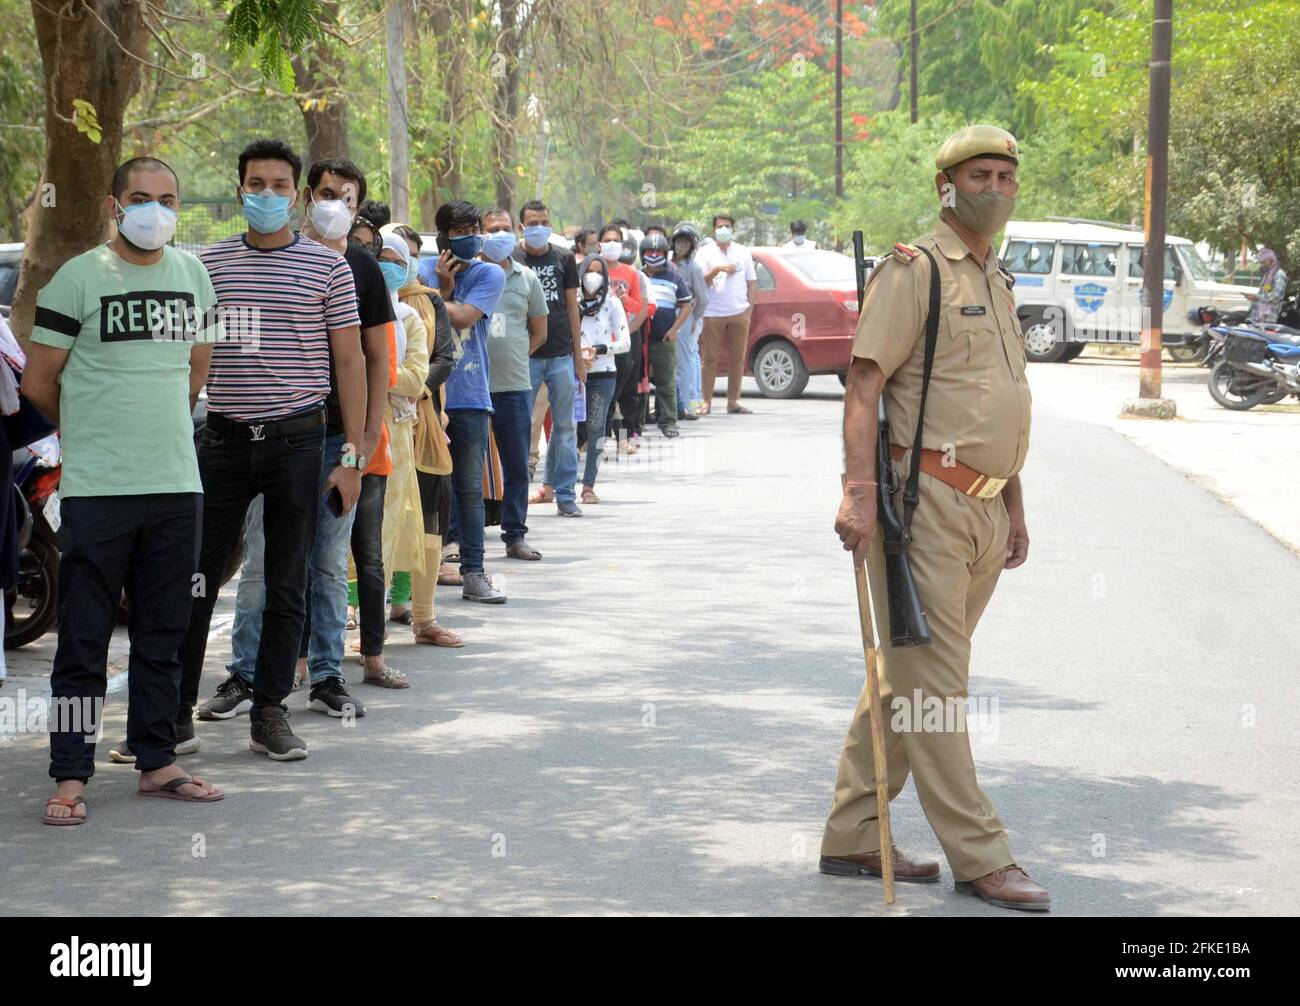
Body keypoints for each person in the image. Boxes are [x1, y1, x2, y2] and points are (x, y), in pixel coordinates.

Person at [824, 124, 1047, 911]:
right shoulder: (914, 270)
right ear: (946, 187)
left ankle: (853, 832)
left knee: (907, 679)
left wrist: (1014, 503)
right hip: (924, 509)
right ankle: (981, 855)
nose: (995, 187)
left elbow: (1002, 400)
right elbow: (863, 387)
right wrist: (857, 493)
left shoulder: (999, 279)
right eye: (979, 174)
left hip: (986, 511)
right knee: (935, 692)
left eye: (1005, 175)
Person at [24, 156, 225, 821]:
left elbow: (196, 372)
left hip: (175, 485)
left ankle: (158, 760)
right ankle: (71, 774)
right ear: (115, 205)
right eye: (141, 197)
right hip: (98, 489)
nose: (155, 210)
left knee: (163, 633)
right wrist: (98, 430)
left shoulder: (193, 275)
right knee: (83, 639)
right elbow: (38, 383)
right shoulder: (78, 279)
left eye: (167, 199)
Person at [180, 138, 367, 762]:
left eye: (280, 186)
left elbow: (351, 363)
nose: (267, 195)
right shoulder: (204, 266)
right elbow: (184, 364)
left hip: (299, 443)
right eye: (255, 185)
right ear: (240, 193)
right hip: (223, 441)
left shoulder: (329, 267)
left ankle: (269, 714)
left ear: (300, 195)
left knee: (287, 581)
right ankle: (174, 714)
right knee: (199, 581)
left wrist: (353, 460)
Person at [420, 199, 508, 601]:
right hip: (425, 396)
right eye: (458, 231)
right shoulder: (421, 268)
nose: (469, 236)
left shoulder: (490, 273)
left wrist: (442, 294)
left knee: (469, 489)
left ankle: (474, 572)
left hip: (470, 397)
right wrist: (441, 290)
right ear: (442, 237)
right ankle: (415, 579)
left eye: (474, 228)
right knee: (423, 490)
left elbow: (462, 317)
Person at [384, 224, 463, 648]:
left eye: (405, 257)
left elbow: (444, 357)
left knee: (429, 515)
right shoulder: (358, 299)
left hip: (425, 421)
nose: (396, 266)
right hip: (378, 423)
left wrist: (419, 390)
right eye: (388, 257)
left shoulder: (429, 303)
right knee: (375, 521)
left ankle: (424, 617)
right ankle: (362, 618)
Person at [482, 208, 548, 558]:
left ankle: (515, 535)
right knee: (467, 468)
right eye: (492, 230)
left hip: (514, 386)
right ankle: (459, 538)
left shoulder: (526, 278)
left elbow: (539, 332)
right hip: (473, 388)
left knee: (516, 464)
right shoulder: (469, 274)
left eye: (505, 229)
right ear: (481, 234)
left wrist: (516, 355)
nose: (500, 235)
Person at [514, 199, 584, 516]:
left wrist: (578, 358)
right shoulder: (512, 258)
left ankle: (565, 493)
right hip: (524, 356)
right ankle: (513, 494)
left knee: (565, 426)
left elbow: (572, 308)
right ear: (521, 227)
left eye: (543, 222)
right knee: (517, 425)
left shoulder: (564, 258)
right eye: (532, 223)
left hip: (560, 355)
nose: (538, 228)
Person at [576, 255, 629, 503]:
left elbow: (625, 343)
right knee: (564, 429)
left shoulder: (612, 304)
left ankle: (588, 485)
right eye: (589, 270)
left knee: (596, 428)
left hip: (603, 375)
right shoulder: (572, 301)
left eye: (599, 272)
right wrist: (576, 355)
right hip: (574, 373)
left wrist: (598, 349)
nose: (592, 276)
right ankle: (556, 485)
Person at [696, 213, 757, 415]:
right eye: (720, 226)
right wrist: (717, 270)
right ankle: (706, 401)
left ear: (733, 228)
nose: (724, 230)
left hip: (739, 311)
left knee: (737, 359)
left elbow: (752, 282)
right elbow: (699, 281)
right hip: (713, 312)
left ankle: (733, 401)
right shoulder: (704, 253)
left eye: (727, 226)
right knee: (709, 358)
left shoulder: (742, 252)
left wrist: (749, 310)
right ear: (714, 230)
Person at [600, 224, 648, 452]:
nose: (611, 244)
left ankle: (625, 436)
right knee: (604, 389)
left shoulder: (632, 273)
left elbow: (640, 307)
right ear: (599, 244)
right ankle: (596, 436)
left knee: (627, 390)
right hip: (599, 341)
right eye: (607, 240)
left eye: (615, 240)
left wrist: (624, 298)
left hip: (627, 337)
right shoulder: (592, 269)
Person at [640, 231, 692, 438]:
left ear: (665, 253)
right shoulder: (638, 275)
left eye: (658, 251)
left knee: (666, 382)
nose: (654, 255)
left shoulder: (674, 278)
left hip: (664, 339)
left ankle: (669, 422)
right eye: (650, 251)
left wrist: (673, 330)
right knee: (638, 383)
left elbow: (686, 305)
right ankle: (639, 421)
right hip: (640, 340)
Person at [671, 223, 709, 420]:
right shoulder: (667, 263)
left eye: (686, 243)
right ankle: (669, 405)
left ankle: (685, 405)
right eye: (679, 242)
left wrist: (694, 318)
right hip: (666, 313)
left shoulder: (693, 268)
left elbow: (702, 297)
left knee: (683, 363)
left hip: (685, 315)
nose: (681, 247)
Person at [1247, 248, 1288, 323]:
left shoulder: (1279, 274)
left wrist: (1258, 297)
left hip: (1268, 317)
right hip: (1259, 316)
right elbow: (1266, 292)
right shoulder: (1269, 275)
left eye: (1264, 261)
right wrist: (1256, 297)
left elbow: (1277, 295)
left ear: (1270, 259)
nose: (1262, 264)